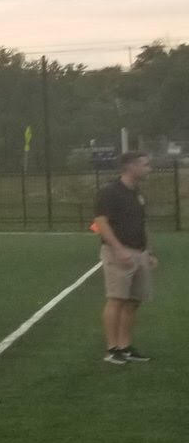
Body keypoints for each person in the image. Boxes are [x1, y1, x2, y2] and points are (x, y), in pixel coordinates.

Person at [95, 151, 157, 364]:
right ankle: (112, 349)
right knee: (116, 299)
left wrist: (149, 251)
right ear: (131, 166)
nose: (149, 169)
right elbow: (101, 222)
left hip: (139, 253)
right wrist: (119, 249)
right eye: (145, 165)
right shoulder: (110, 192)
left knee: (133, 301)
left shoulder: (137, 193)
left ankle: (125, 346)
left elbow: (142, 224)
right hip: (118, 253)